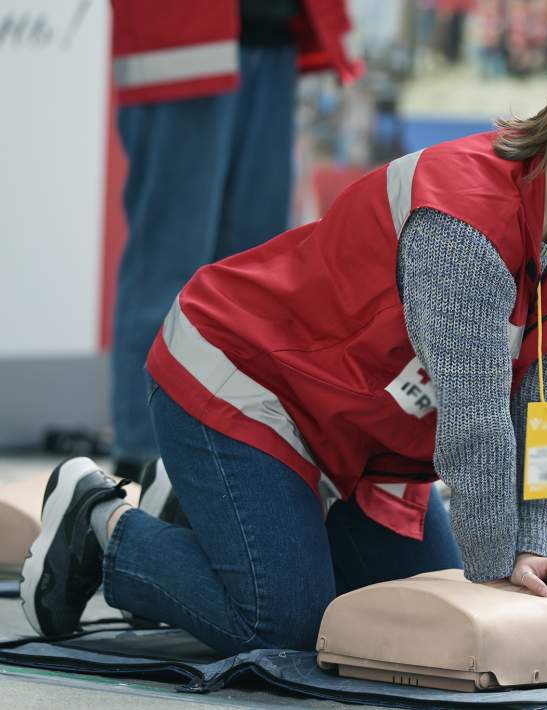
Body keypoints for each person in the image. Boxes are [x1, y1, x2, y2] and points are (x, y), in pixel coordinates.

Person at [22, 55, 547, 653]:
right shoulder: (465, 226)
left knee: (409, 611)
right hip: (245, 381)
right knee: (286, 624)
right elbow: (475, 425)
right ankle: (99, 524)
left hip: (356, 426)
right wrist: (501, 566)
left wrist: (535, 544)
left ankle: (207, 513)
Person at [109, 0, 362, 480]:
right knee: (167, 264)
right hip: (183, 38)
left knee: (254, 285)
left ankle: (234, 455)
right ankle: (142, 463)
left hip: (272, 38)